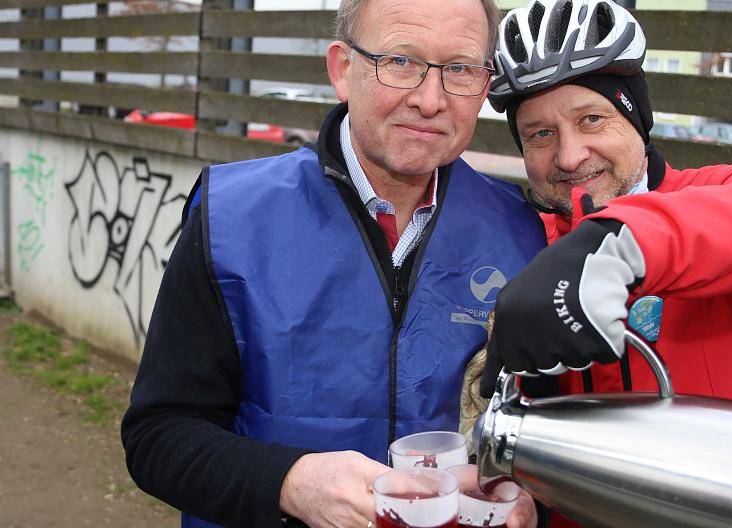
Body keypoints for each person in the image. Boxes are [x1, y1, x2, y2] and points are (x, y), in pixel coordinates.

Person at [121, 1, 545, 527]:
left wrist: (525, 497)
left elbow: (532, 430)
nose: (431, 100)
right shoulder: (231, 216)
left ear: (484, 87)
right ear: (343, 69)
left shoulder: (522, 232)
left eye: (459, 69)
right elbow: (157, 435)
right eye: (402, 61)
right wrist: (289, 482)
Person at [477, 1, 732, 525]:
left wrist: (626, 242)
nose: (571, 156)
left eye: (591, 118)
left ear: (637, 119)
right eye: (540, 134)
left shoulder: (721, 193)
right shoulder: (522, 245)